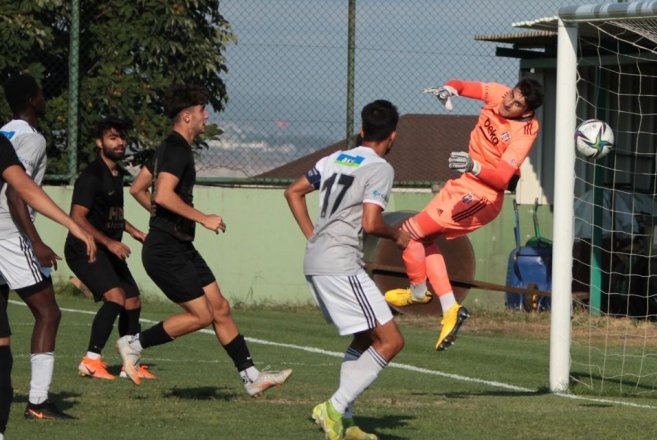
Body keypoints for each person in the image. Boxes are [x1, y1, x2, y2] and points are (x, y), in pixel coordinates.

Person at [115, 85, 291, 397]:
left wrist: (165, 218)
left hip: (179, 244)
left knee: (220, 307)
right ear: (187, 116)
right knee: (202, 315)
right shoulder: (176, 149)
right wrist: (201, 217)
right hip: (165, 249)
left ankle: (252, 377)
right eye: (201, 111)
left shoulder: (168, 147)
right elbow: (163, 194)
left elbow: (138, 189)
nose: (205, 116)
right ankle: (134, 344)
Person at [385, 78, 544, 351]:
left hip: (483, 196)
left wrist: (474, 165)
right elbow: (464, 85)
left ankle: (419, 292)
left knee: (410, 232)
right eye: (512, 95)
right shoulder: (499, 94)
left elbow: (502, 178)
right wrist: (450, 90)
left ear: (527, 111)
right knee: (421, 239)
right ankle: (447, 307)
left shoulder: (526, 131)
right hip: (463, 184)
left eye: (518, 104)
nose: (509, 103)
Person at [285, 99, 408, 440]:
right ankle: (334, 407)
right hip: (340, 264)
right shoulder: (380, 167)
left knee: (365, 337)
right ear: (393, 136)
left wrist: (314, 235)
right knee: (392, 341)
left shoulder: (335, 158)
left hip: (317, 260)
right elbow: (371, 223)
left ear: (362, 130)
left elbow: (293, 191)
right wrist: (397, 234)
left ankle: (345, 421)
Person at [0, 73, 96, 422]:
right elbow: (16, 192)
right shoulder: (32, 139)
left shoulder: (5, 132)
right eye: (41, 93)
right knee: (49, 313)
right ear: (31, 100)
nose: (45, 97)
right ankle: (38, 402)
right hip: (10, 236)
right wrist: (36, 241)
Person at [65, 117, 152, 381]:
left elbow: (111, 216)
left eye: (121, 138)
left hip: (108, 249)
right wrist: (111, 242)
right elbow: (77, 217)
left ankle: (129, 363)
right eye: (113, 138)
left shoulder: (117, 174)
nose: (120, 142)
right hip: (85, 248)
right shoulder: (92, 176)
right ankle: (91, 361)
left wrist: (135, 232)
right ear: (99, 143)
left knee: (132, 300)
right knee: (115, 297)